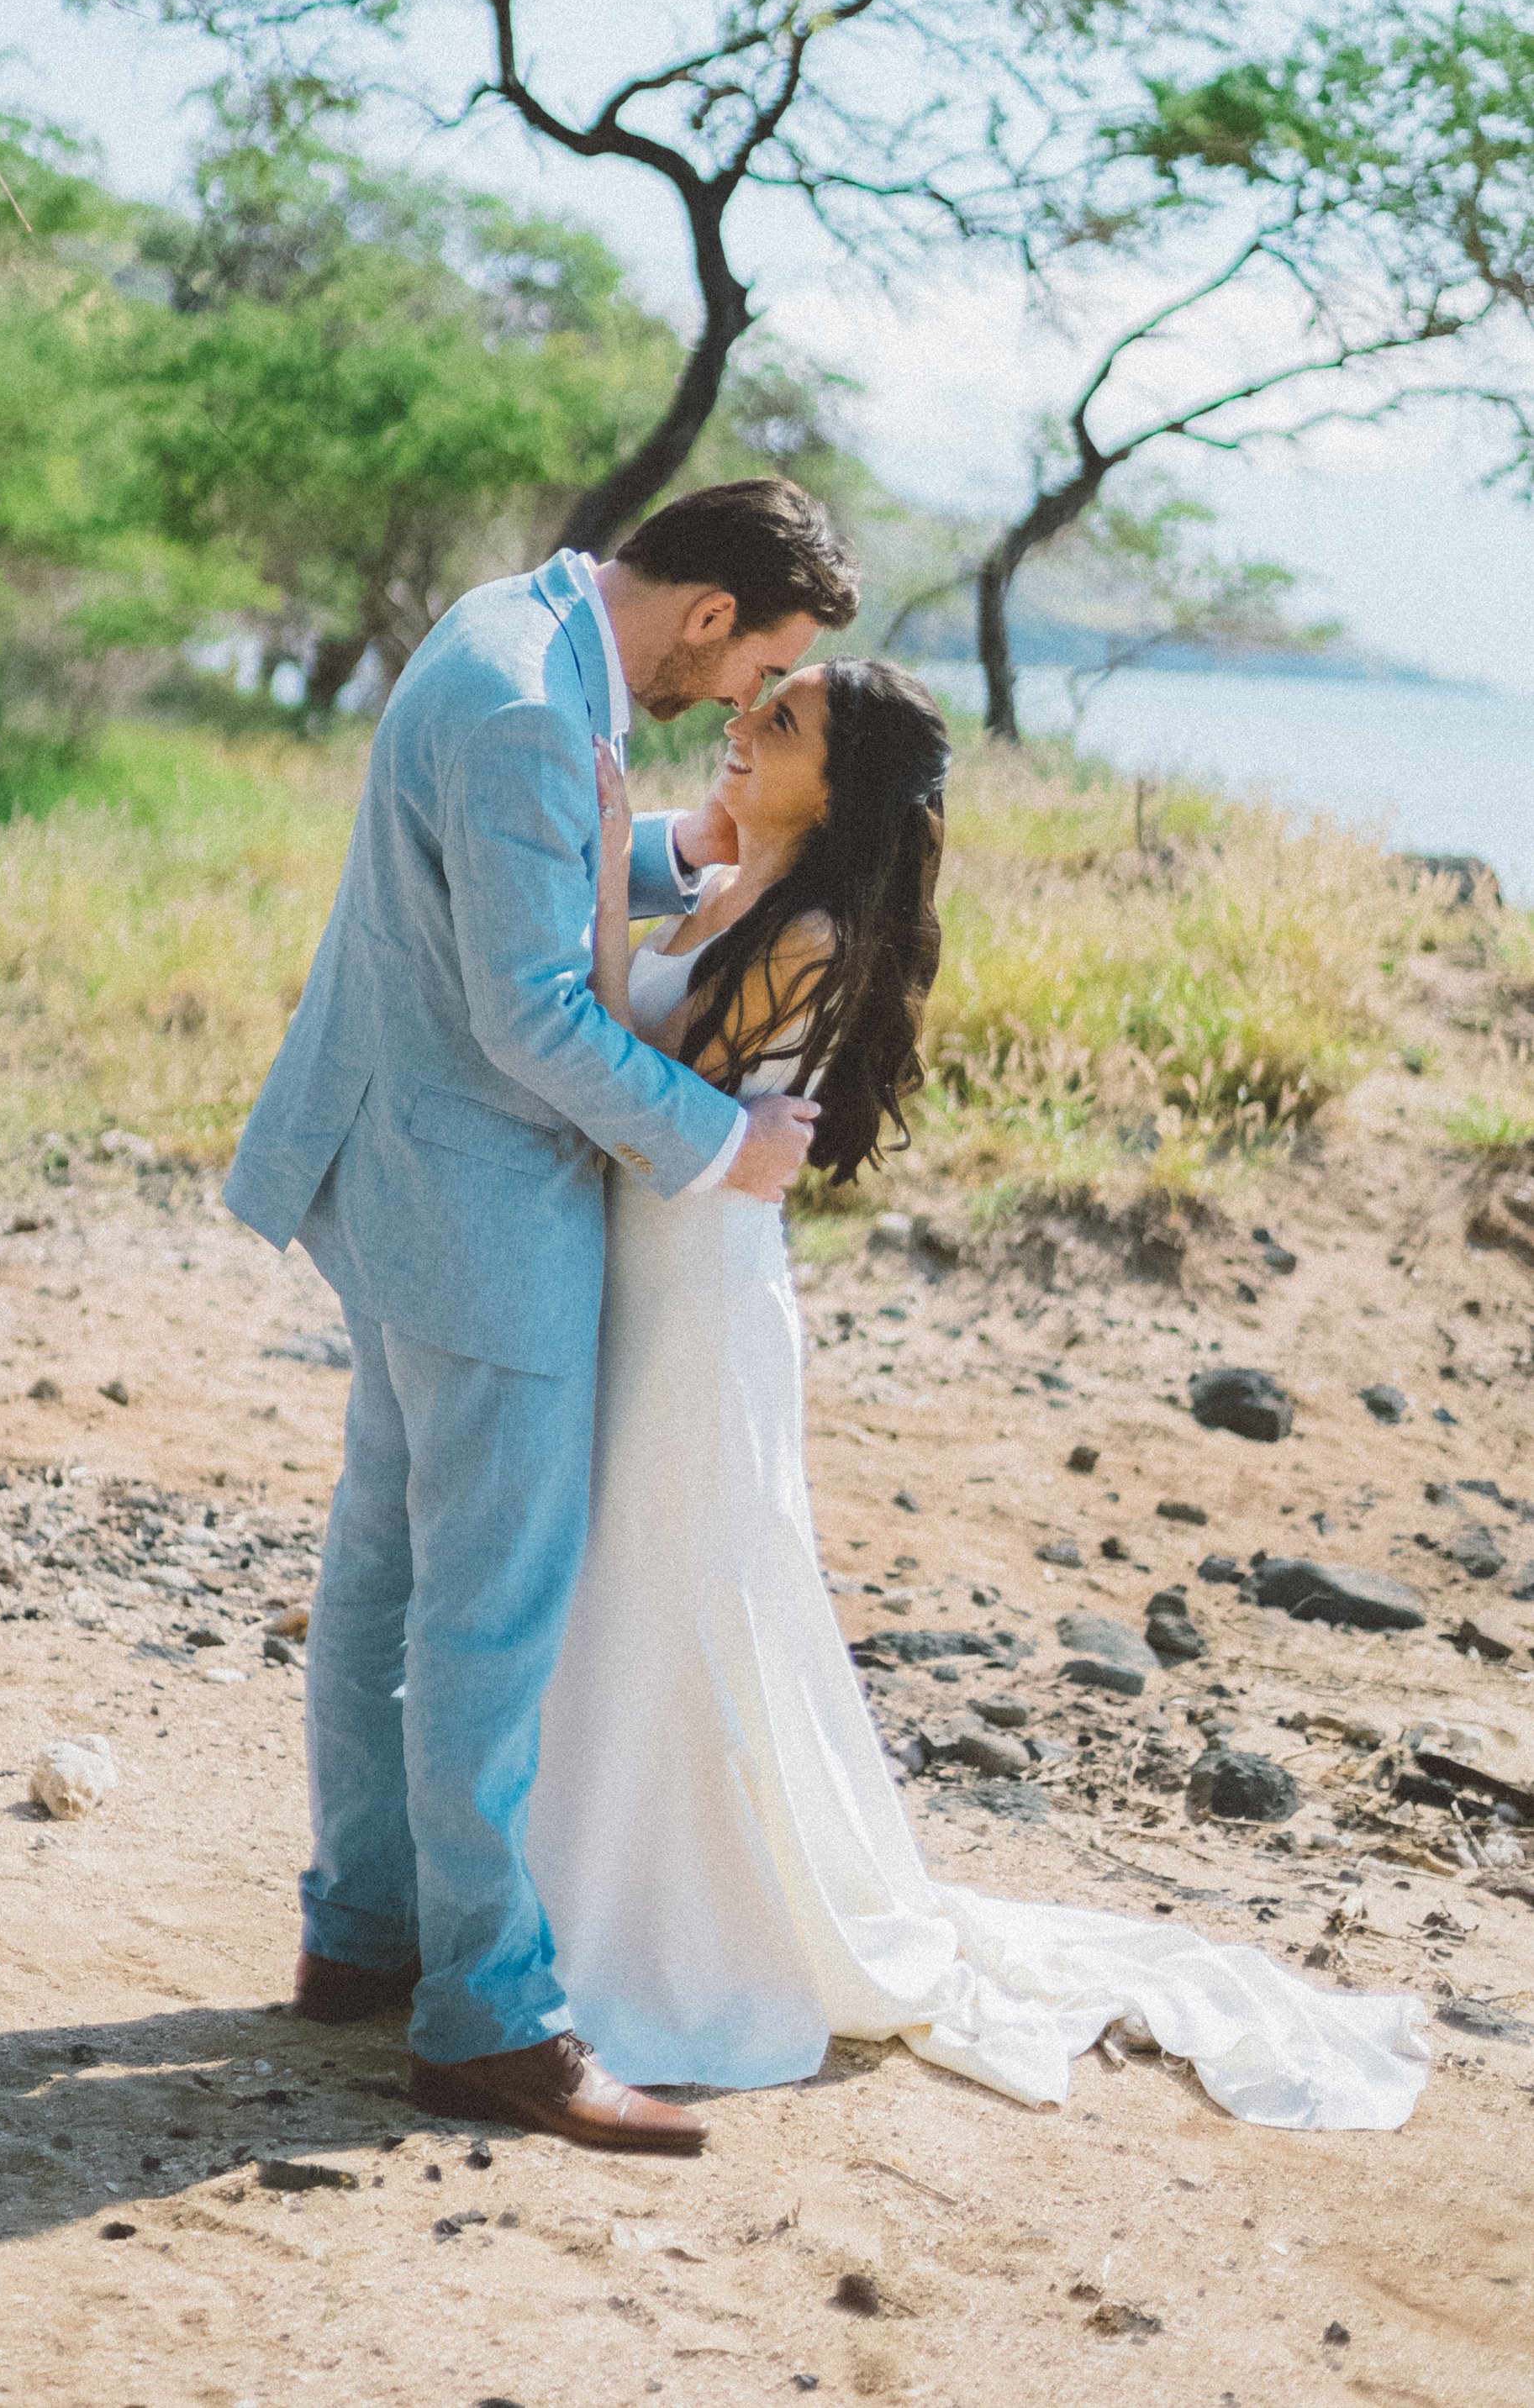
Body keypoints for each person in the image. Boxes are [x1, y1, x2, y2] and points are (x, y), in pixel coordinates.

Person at [525, 654, 1431, 2132]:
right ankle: (565, 1902)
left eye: (784, 720)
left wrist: (609, 868)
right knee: (608, 1579)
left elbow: (639, 1082)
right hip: (637, 1269)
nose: (742, 727)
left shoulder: (809, 925)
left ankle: (656, 1941)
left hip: (697, 1293)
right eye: (752, 706)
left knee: (667, 1580)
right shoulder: (740, 883)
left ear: (845, 781)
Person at [224, 479, 861, 2152]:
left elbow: (501, 875)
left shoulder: (508, 626)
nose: (737, 707)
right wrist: (724, 1143)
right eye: (758, 671)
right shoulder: (526, 698)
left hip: (390, 1166)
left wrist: (668, 855)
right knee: (487, 1614)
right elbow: (523, 1015)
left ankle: (361, 1935)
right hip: (469, 1198)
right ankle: (489, 2020)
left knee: (383, 1565)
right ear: (715, 612)